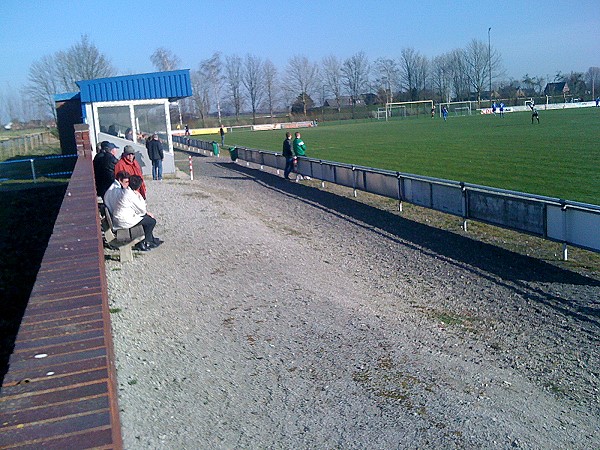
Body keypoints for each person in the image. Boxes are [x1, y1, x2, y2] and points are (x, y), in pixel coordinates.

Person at [112, 175, 162, 251]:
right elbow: (142, 210)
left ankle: (150, 239)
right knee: (151, 222)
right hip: (124, 221)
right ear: (138, 187)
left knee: (147, 219)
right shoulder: (131, 195)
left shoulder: (127, 191)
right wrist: (139, 196)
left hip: (121, 218)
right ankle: (144, 241)